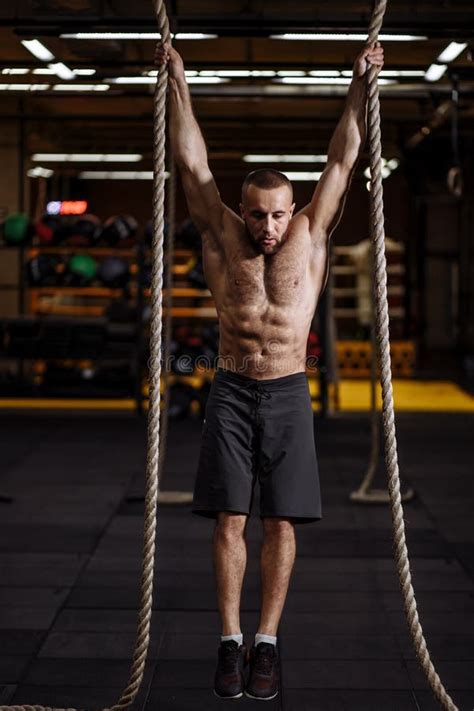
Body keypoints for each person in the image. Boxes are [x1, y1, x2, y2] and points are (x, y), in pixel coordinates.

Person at [156, 40, 384, 701]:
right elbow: (192, 163)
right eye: (257, 213)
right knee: (230, 519)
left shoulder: (312, 234)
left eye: (278, 213)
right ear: (244, 209)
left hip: (287, 389)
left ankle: (267, 643)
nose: (267, 226)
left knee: (280, 522)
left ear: (293, 209)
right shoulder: (222, 232)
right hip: (229, 386)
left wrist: (357, 82)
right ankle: (229, 641)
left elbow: (343, 157)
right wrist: (178, 80)